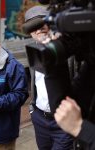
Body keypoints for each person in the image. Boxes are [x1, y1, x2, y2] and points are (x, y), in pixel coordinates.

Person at [23, 5, 74, 149]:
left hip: (64, 122)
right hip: (40, 119)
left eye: (42, 23)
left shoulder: (68, 52)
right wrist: (33, 110)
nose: (39, 28)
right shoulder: (33, 51)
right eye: (33, 26)